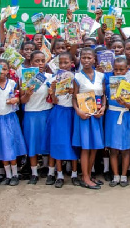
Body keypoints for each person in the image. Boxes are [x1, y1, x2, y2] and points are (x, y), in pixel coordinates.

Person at [0, 59, 27, 186]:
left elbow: (18, 96)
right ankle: (8, 175)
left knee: (11, 146)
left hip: (10, 118)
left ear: (8, 71)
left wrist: (15, 100)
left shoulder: (12, 83)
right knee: (2, 147)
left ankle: (15, 174)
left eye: (5, 69)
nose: (2, 71)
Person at [72, 47, 106, 189]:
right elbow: (73, 98)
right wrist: (78, 111)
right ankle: (85, 177)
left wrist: (103, 107)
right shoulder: (77, 77)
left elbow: (104, 96)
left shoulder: (101, 76)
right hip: (84, 115)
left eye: (89, 58)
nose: (86, 60)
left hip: (97, 115)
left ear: (94, 59)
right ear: (80, 59)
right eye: (83, 57)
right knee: (85, 147)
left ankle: (89, 174)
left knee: (95, 147)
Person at [20, 50, 54, 185]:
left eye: (42, 61)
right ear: (31, 62)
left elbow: (54, 99)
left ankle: (50, 172)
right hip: (31, 114)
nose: (40, 63)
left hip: (46, 113)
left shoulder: (50, 77)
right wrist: (28, 93)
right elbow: (22, 100)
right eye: (36, 61)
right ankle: (34, 173)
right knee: (32, 145)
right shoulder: (26, 77)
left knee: (49, 144)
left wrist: (52, 91)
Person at [46, 52, 80, 188]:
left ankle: (74, 174)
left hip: (73, 112)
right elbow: (54, 101)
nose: (64, 65)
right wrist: (53, 90)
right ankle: (59, 174)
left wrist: (74, 92)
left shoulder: (77, 78)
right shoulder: (54, 78)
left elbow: (80, 97)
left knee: (74, 143)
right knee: (58, 142)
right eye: (61, 63)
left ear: (72, 63)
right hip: (59, 112)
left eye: (66, 62)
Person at [105, 57, 130, 187]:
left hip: (124, 117)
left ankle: (124, 176)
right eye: (116, 70)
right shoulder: (108, 87)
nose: (118, 73)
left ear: (127, 70)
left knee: (125, 149)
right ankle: (116, 175)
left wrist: (125, 104)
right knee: (113, 149)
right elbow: (104, 102)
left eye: (121, 70)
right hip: (111, 117)